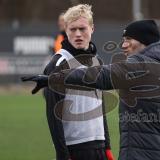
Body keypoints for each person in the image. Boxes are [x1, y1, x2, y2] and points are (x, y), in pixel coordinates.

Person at [22, 20, 160, 160]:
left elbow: (101, 76)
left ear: (145, 41)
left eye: (129, 39)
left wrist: (54, 78)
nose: (123, 45)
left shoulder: (140, 67)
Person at [22, 4, 114, 160]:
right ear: (65, 30)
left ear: (92, 28)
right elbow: (53, 117)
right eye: (72, 29)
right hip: (75, 149)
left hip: (99, 147)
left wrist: (107, 148)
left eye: (82, 29)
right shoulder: (58, 64)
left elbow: (100, 106)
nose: (78, 34)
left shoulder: (97, 61)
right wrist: (63, 155)